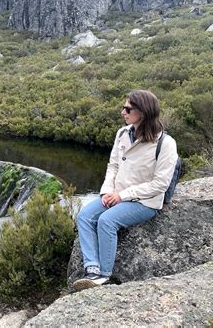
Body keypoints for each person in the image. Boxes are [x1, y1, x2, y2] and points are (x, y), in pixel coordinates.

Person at [72, 89, 178, 292]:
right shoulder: (122, 133)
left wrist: (122, 196)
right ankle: (91, 268)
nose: (123, 112)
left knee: (107, 220)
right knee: (85, 215)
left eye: (128, 108)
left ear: (144, 112)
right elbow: (113, 166)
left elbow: (160, 184)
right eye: (123, 107)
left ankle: (103, 275)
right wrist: (106, 192)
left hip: (144, 201)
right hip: (117, 194)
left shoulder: (166, 144)